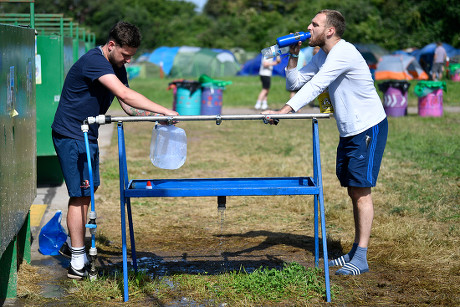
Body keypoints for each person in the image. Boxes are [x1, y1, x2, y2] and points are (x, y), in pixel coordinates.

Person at [263, 10, 388, 276]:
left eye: (314, 24)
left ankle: (362, 257)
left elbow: (317, 85)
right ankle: (355, 251)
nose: (308, 27)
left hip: (367, 126)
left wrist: (284, 112)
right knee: (353, 190)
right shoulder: (323, 55)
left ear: (329, 31)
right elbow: (295, 83)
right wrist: (294, 56)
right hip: (349, 130)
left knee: (361, 191)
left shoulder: (344, 53)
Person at [52, 21, 178, 279]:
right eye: (125, 54)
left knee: (89, 190)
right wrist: (165, 109)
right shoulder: (94, 61)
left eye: (131, 56)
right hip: (71, 134)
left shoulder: (116, 65)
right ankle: (77, 262)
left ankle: (71, 244)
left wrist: (156, 116)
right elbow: (125, 93)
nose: (128, 60)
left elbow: (127, 105)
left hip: (88, 133)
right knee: (80, 195)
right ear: (111, 45)